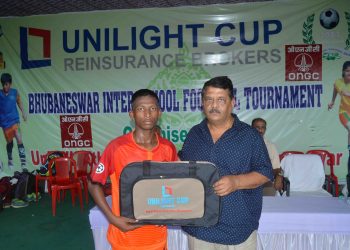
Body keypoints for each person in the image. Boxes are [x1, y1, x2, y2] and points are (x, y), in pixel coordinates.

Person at [180, 76, 273, 250]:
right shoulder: (194, 134)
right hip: (200, 228)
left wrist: (236, 182)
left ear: (232, 103)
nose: (214, 105)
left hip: (238, 230)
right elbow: (185, 172)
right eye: (209, 99)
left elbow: (266, 172)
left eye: (221, 100)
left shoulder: (249, 136)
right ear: (202, 103)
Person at [88, 89, 177, 250]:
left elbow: (174, 185)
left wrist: (168, 214)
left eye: (152, 108)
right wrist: (112, 219)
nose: (147, 114)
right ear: (132, 114)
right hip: (125, 239)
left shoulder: (168, 148)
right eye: (141, 109)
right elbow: (93, 184)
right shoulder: (116, 147)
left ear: (159, 112)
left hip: (158, 239)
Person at [328, 61, 350, 196]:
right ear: (343, 72)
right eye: (347, 71)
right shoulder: (338, 82)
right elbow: (336, 91)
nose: (349, 74)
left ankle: (346, 188)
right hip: (344, 113)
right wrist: (332, 101)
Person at [0, 73, 27, 170]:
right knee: (10, 142)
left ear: (10, 84)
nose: (5, 86)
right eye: (3, 84)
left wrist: (23, 112)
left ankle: (23, 163)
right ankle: (10, 158)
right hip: (4, 123)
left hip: (15, 120)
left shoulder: (15, 92)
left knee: (19, 139)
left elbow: (19, 102)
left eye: (7, 84)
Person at [252, 118, 283, 193]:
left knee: (270, 195)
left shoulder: (271, 146)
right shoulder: (244, 145)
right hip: (246, 182)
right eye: (257, 127)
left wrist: (279, 176)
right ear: (251, 128)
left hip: (265, 181)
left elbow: (277, 168)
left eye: (262, 127)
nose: (260, 130)